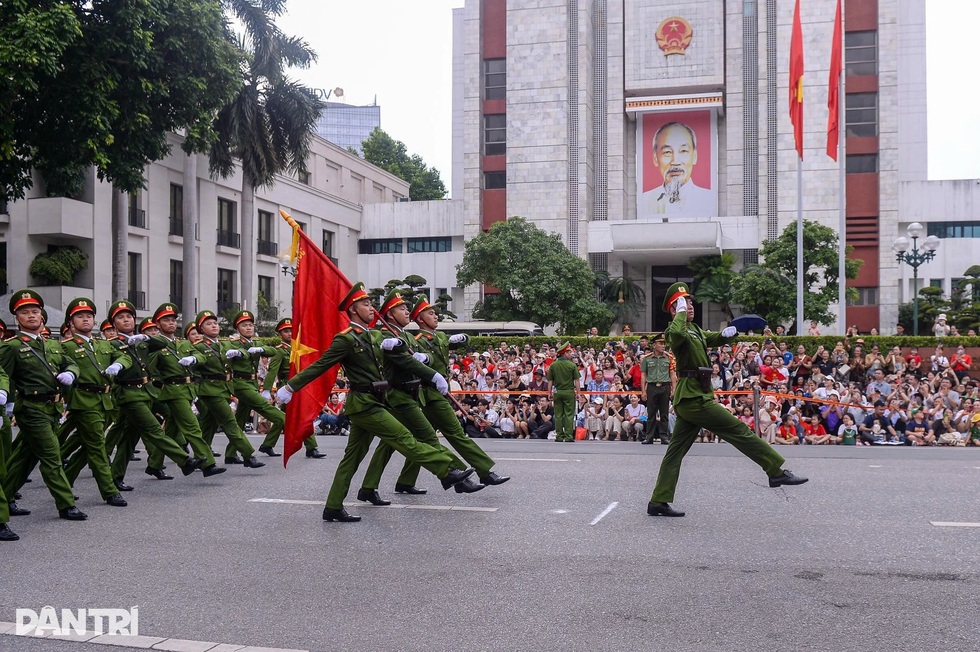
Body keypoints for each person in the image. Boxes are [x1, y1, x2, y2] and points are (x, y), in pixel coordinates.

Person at [276, 283, 478, 522]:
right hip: (363, 404)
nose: (371, 308)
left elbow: (404, 356)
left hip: (376, 401)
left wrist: (424, 367)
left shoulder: (375, 336)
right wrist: (290, 387)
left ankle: (333, 506)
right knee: (404, 438)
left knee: (352, 458)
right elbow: (321, 365)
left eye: (371, 304)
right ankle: (446, 470)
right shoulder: (346, 340)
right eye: (365, 304)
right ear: (352, 309)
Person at [647, 282, 807, 518]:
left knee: (675, 452)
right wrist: (680, 313)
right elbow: (678, 334)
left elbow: (710, 338)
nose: (690, 305)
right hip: (694, 399)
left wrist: (725, 335)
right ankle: (774, 469)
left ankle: (658, 501)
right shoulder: (675, 330)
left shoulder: (695, 329)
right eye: (684, 302)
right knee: (738, 429)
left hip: (695, 395)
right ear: (674, 309)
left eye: (690, 302)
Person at [358, 290, 485, 503]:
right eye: (401, 309)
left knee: (388, 445)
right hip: (398, 397)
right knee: (426, 437)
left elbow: (422, 351)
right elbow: (406, 361)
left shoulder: (406, 335)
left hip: (411, 395)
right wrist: (433, 374)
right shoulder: (387, 336)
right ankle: (457, 474)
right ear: (389, 315)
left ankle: (369, 487)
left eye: (408, 308)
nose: (407, 312)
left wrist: (428, 356)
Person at [0, 289, 87, 522]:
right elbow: (3, 376)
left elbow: (72, 364)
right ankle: (66, 504)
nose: (31, 316)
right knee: (52, 455)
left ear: (42, 316)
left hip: (52, 409)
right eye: (24, 312)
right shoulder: (12, 346)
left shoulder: (53, 345)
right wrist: (7, 405)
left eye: (35, 311)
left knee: (25, 458)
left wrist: (70, 372)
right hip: (30, 408)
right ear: (16, 318)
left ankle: (5, 497)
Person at [102, 300, 205, 486]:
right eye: (120, 318)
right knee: (154, 429)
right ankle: (185, 460)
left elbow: (161, 342)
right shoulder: (111, 344)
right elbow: (119, 361)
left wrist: (147, 337)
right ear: (113, 323)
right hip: (128, 394)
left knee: (128, 439)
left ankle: (116, 477)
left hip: (145, 392)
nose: (126, 320)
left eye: (129, 317)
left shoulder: (142, 340)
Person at [58, 297, 133, 507]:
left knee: (86, 446)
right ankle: (109, 491)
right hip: (84, 401)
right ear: (71, 322)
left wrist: (118, 364)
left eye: (89, 316)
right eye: (80, 316)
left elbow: (125, 356)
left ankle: (63, 480)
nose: (85, 320)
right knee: (98, 448)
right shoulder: (66, 346)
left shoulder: (102, 344)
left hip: (105, 401)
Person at [145, 303, 226, 478]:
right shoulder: (156, 346)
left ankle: (154, 464)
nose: (172, 323)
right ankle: (208, 463)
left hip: (187, 389)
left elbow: (202, 357)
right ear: (158, 324)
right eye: (166, 320)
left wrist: (193, 358)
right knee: (192, 427)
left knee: (171, 430)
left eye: (173, 320)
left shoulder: (181, 343)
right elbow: (149, 370)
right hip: (173, 391)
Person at [191, 310, 265, 470]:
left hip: (224, 389)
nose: (214, 326)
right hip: (210, 390)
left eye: (215, 323)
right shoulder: (199, 347)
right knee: (230, 423)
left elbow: (244, 352)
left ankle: (200, 457)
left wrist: (240, 352)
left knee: (208, 426)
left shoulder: (225, 344)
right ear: (201, 329)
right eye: (209, 324)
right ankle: (248, 455)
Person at [221, 310, 286, 459]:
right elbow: (225, 354)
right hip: (240, 383)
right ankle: (285, 421)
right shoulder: (234, 343)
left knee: (240, 420)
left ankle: (230, 453)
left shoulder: (256, 342)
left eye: (250, 325)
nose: (249, 328)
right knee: (264, 407)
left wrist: (262, 349)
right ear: (238, 329)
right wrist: (236, 352)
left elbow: (272, 351)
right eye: (244, 325)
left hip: (252, 383)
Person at [269, 317, 325, 458]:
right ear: (280, 334)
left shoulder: (299, 348)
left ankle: (267, 444)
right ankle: (311, 448)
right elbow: (272, 370)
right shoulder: (280, 351)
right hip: (286, 387)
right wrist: (267, 389)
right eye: (286, 331)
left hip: (298, 386)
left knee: (284, 418)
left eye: (291, 331)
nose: (289, 333)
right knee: (303, 417)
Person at [639, 122, 715, 217]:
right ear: (655, 158)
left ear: (694, 156)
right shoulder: (643, 202)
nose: (675, 161)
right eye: (667, 152)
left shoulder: (709, 199)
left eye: (683, 151)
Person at [640, 334, 675, 445]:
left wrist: (673, 389)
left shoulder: (669, 358)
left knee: (664, 413)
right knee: (651, 414)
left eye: (664, 343)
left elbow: (672, 374)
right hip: (652, 387)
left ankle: (664, 436)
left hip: (665, 386)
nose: (663, 346)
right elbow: (644, 375)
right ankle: (649, 436)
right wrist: (643, 391)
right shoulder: (647, 358)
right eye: (660, 343)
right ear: (654, 345)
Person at [547, 342, 579, 442]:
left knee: (558, 415)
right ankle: (568, 436)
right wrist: (578, 393)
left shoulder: (553, 365)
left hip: (557, 392)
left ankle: (559, 436)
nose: (571, 354)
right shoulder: (572, 365)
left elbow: (550, 381)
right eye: (569, 352)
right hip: (569, 392)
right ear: (564, 353)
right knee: (569, 415)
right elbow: (577, 381)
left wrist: (549, 393)